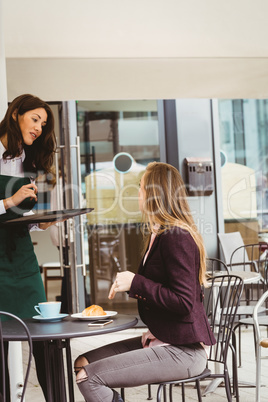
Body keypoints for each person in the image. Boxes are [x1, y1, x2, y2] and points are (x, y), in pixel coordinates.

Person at [74, 161, 216, 402]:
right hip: (163, 339)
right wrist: (131, 281)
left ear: (154, 193)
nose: (137, 193)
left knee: (88, 377)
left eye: (140, 187)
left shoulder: (176, 236)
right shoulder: (159, 233)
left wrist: (136, 282)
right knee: (82, 363)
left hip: (184, 351)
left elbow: (183, 302)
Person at [0, 94, 58, 401]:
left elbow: (18, 217)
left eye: (43, 123)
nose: (38, 128)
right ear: (15, 115)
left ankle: (56, 397)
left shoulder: (25, 160)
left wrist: (40, 223)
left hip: (22, 261)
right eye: (34, 119)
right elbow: (10, 206)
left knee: (44, 336)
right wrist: (10, 201)